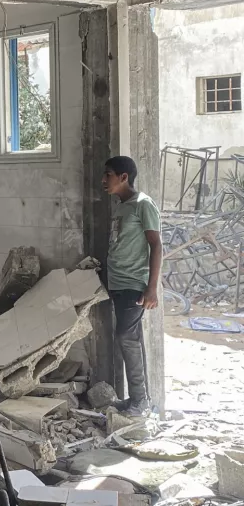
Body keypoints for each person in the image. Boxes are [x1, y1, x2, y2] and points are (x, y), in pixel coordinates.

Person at [103, 156, 161, 416]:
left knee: (126, 337)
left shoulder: (142, 205)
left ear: (124, 177)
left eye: (108, 175)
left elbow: (156, 245)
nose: (104, 180)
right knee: (129, 338)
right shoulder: (121, 205)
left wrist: (151, 288)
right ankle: (137, 398)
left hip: (133, 284)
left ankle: (141, 401)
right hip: (118, 283)